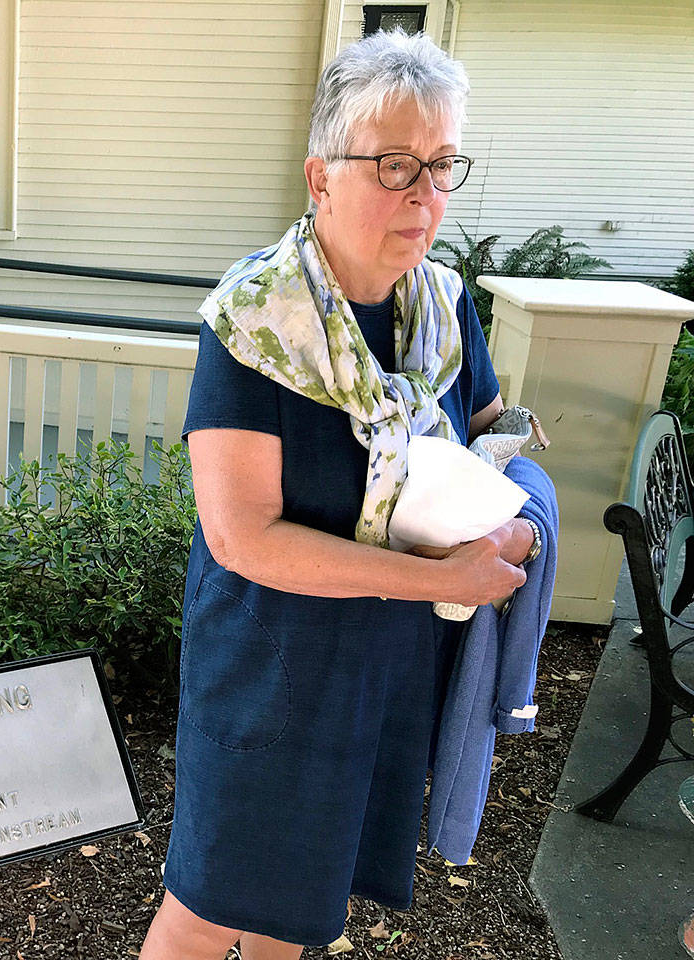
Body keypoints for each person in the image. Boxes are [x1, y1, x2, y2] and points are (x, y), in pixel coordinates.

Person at [139, 30, 539, 960]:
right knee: (207, 907)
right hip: (269, 673)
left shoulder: (443, 308)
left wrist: (522, 516)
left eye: (441, 167)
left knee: (312, 905)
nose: (425, 196)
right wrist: (449, 578)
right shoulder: (254, 320)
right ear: (321, 179)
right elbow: (244, 539)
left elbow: (494, 438)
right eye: (395, 165)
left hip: (386, 665)